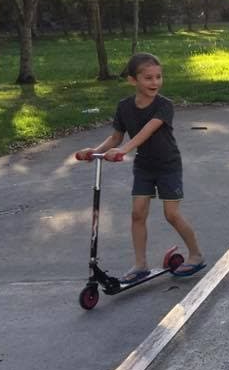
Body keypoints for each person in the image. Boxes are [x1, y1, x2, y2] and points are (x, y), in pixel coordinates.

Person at [75, 52, 206, 282]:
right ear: (133, 80)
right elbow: (116, 138)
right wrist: (95, 152)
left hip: (168, 165)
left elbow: (147, 130)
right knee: (137, 214)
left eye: (158, 77)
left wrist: (125, 150)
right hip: (144, 166)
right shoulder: (124, 107)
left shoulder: (164, 105)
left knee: (172, 214)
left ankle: (195, 255)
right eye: (148, 78)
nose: (155, 82)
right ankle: (140, 264)